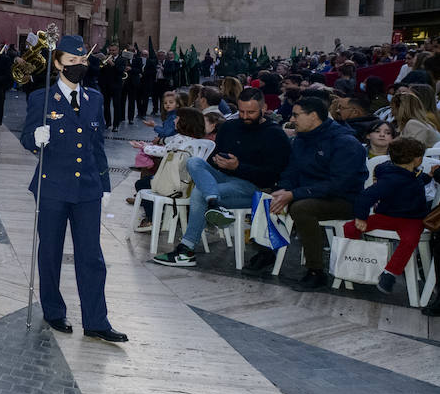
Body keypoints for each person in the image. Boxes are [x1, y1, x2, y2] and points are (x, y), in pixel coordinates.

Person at [20, 35, 127, 343]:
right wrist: (35, 138)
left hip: (87, 189)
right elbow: (28, 137)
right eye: (71, 62)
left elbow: (98, 145)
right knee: (50, 252)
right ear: (57, 64)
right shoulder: (41, 99)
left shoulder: (95, 98)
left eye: (82, 62)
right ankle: (53, 310)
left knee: (91, 256)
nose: (78, 67)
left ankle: (96, 320)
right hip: (52, 187)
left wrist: (104, 186)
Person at [151, 88, 291, 268]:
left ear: (264, 108)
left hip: (252, 187)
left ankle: (187, 249)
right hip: (222, 177)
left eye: (251, 112)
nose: (245, 116)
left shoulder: (275, 134)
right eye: (241, 111)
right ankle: (214, 203)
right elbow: (213, 157)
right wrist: (218, 161)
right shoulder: (230, 127)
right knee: (194, 161)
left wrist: (239, 167)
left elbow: (273, 175)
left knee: (199, 193)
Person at [270, 95, 367, 291]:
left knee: (302, 208)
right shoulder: (301, 139)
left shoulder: (345, 142)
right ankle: (265, 255)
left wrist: (295, 194)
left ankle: (316, 271)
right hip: (310, 192)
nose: (292, 119)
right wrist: (283, 188)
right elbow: (292, 170)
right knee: (266, 197)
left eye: (296, 115)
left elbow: (339, 184)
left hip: (344, 199)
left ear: (313, 116)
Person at [344, 137, 436, 295]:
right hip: (390, 217)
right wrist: (361, 217)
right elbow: (366, 196)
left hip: (411, 219)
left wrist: (429, 176)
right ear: (416, 159)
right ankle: (362, 260)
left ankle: (390, 273)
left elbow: (418, 180)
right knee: (350, 227)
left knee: (409, 240)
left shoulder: (412, 173)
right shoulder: (391, 179)